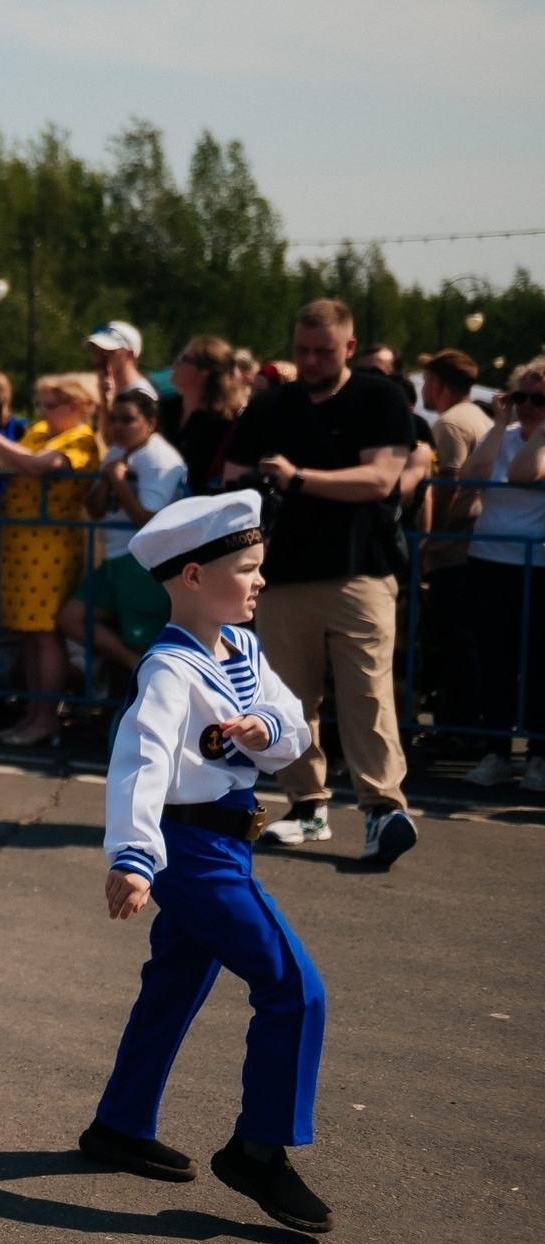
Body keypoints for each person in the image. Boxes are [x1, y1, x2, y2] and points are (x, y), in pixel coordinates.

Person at [91, 490, 330, 1235]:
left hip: (227, 842)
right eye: (247, 568)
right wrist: (133, 857)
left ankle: (120, 1126)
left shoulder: (242, 649)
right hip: (190, 850)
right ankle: (260, 1148)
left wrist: (263, 726)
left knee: (175, 986)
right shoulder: (169, 669)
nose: (260, 581)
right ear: (192, 576)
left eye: (260, 567)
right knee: (294, 988)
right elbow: (141, 763)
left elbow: (293, 726)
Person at [220, 299, 420, 865]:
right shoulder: (270, 405)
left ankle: (383, 809)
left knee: (367, 694)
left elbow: (381, 479)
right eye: (302, 350)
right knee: (288, 698)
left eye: (323, 350)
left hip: (361, 571)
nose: (310, 360)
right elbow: (235, 477)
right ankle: (307, 806)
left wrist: (298, 478)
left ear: (349, 348)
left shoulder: (379, 397)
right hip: (282, 575)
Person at [0, 374, 106, 745]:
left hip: (51, 544)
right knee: (29, 633)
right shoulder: (42, 430)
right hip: (22, 542)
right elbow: (12, 463)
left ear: (75, 407)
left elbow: (40, 466)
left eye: (51, 403)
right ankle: (32, 715)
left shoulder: (81, 438)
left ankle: (46, 718)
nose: (42, 411)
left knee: (44, 633)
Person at [455, 366, 545, 790]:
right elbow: (469, 478)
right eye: (521, 397)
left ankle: (539, 757)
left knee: (538, 663)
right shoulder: (502, 436)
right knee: (495, 660)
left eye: (539, 400)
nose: (527, 407)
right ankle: (496, 752)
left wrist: (541, 432)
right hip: (490, 561)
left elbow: (524, 474)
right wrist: (498, 423)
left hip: (538, 566)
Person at [64, 389, 187, 675]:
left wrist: (118, 482)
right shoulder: (118, 451)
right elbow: (94, 509)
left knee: (144, 639)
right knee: (71, 618)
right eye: (114, 420)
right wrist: (108, 481)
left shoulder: (159, 460)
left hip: (144, 562)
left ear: (150, 422)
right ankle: (134, 666)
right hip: (115, 558)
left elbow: (148, 519)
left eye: (127, 420)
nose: (118, 427)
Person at [416, 350, 492, 746]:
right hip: (473, 542)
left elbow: (448, 482)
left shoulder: (449, 424)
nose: (425, 388)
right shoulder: (479, 417)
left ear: (440, 385)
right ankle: (465, 723)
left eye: (428, 380)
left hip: (453, 547)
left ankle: (459, 728)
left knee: (451, 639)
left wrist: (433, 533)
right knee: (465, 640)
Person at [161, 336, 246, 493]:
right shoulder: (166, 408)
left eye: (184, 358)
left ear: (203, 372)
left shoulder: (224, 424)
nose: (176, 362)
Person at [87, 322, 157, 409]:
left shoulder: (141, 397)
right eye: (96, 353)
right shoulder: (116, 393)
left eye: (106, 353)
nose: (97, 360)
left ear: (129, 355)